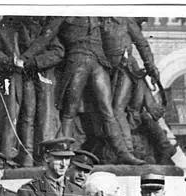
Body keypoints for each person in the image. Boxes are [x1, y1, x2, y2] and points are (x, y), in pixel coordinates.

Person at [19, 17, 145, 165]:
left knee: (107, 111)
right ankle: (62, 154)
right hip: (76, 61)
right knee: (69, 112)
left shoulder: (97, 13)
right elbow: (46, 37)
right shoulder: (63, 13)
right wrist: (24, 58)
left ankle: (123, 154)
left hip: (99, 62)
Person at [0, 16, 65, 166]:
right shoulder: (4, 28)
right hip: (14, 79)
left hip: (38, 79)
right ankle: (20, 156)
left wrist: (34, 62)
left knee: (36, 118)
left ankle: (36, 157)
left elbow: (58, 52)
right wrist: (9, 61)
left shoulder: (43, 30)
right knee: (20, 117)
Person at [100, 17, 159, 157]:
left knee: (117, 109)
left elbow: (142, 44)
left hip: (126, 68)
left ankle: (127, 151)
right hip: (107, 69)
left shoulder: (126, 20)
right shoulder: (100, 20)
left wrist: (150, 67)